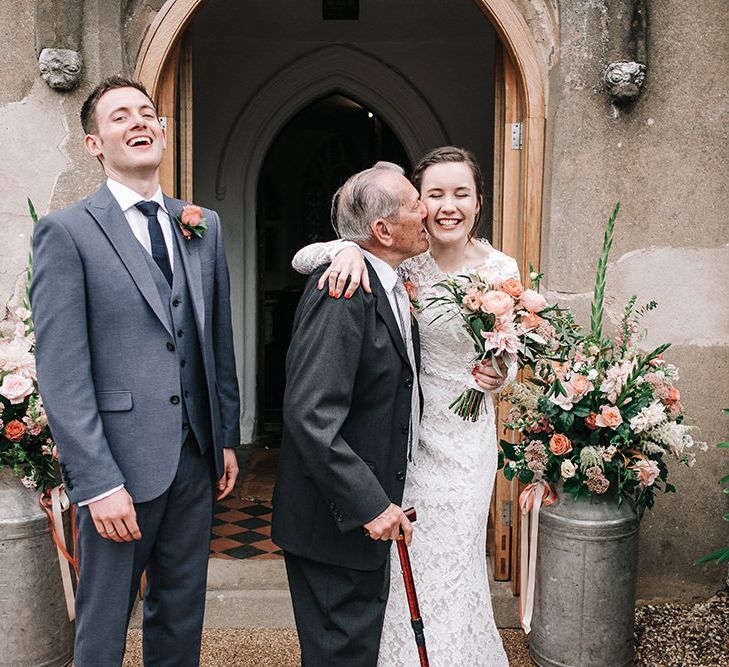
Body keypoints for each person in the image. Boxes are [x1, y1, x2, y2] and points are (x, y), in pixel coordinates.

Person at [30, 75, 241, 666]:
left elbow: (215, 343)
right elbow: (63, 375)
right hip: (117, 470)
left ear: (164, 131)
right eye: (120, 116)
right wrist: (97, 483)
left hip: (194, 461)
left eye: (148, 113)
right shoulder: (67, 233)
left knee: (180, 617)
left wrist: (224, 438)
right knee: (102, 626)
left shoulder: (201, 225)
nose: (140, 122)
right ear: (96, 144)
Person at [291, 146, 516, 666]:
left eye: (460, 193)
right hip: (403, 442)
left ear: (479, 203)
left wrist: (496, 374)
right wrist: (342, 250)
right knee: (397, 560)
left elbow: (507, 351)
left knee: (455, 562)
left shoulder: (499, 269)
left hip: (463, 439)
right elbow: (311, 256)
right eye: (431, 195)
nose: (445, 206)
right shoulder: (403, 256)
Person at [272, 161, 429, 666]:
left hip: (358, 521)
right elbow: (310, 416)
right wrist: (370, 505)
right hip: (334, 524)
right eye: (413, 203)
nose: (426, 208)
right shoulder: (340, 292)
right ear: (382, 230)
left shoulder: (387, 280)